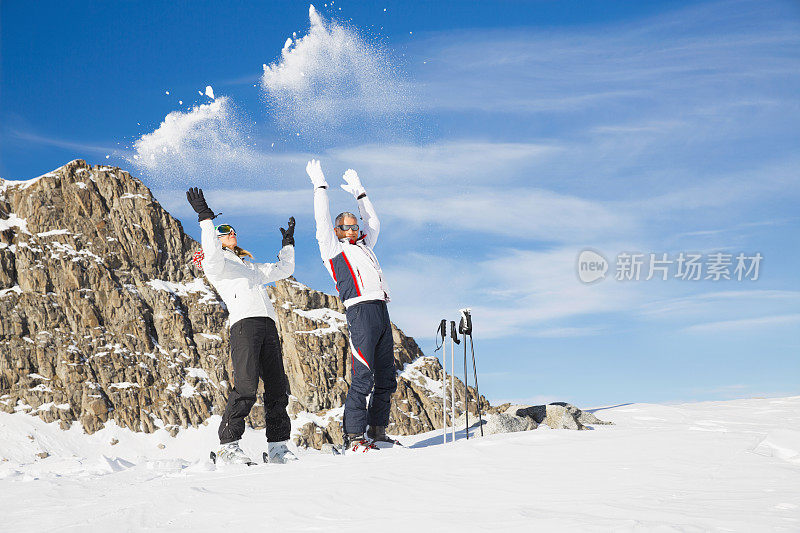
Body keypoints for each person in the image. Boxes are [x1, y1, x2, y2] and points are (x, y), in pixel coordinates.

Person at [186, 187, 298, 464]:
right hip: (243, 326)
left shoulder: (250, 267)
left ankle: (278, 448)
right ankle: (228, 446)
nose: (232, 232)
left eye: (233, 230)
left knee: (276, 388)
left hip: (267, 325)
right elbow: (209, 251)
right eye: (225, 231)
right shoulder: (216, 265)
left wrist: (288, 244)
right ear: (217, 239)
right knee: (246, 387)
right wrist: (205, 218)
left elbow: (285, 271)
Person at [305, 160, 399, 451]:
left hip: (381, 310)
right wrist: (320, 188)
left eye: (355, 226)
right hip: (359, 312)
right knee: (363, 375)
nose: (353, 230)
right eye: (346, 227)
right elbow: (321, 221)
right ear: (337, 230)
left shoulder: (365, 246)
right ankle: (354, 437)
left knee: (387, 377)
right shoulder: (332, 249)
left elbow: (374, 222)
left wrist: (361, 193)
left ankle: (377, 430)